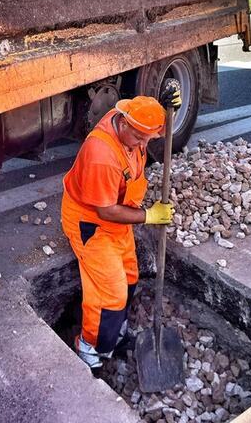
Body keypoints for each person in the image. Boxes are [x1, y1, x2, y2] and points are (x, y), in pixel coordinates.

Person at [60, 84, 181, 373]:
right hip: (92, 223)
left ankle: (114, 333)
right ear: (123, 123)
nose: (143, 145)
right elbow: (106, 210)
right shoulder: (101, 153)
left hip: (116, 221)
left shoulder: (134, 127)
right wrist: (148, 216)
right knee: (110, 294)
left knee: (129, 276)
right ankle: (91, 350)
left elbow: (159, 129)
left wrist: (167, 109)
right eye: (138, 137)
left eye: (147, 138)